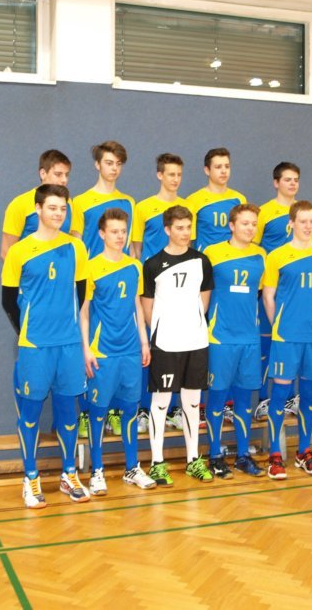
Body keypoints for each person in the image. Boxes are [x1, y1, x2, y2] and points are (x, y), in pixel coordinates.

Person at [1, 184, 90, 508]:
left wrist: (66, 327)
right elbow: (8, 300)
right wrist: (30, 330)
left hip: (68, 345)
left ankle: (69, 474)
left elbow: (80, 293)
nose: (58, 214)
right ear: (38, 209)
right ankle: (30, 477)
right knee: (30, 414)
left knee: (68, 413)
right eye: (52, 207)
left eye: (63, 209)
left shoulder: (76, 248)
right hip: (35, 346)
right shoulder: (19, 251)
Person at [80, 208, 157, 493]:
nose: (120, 236)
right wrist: (86, 349)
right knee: (98, 411)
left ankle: (132, 467)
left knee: (130, 409)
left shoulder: (134, 266)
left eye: (123, 231)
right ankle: (97, 470)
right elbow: (83, 312)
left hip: (131, 351)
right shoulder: (90, 267)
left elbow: (137, 304)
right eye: (114, 231)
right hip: (103, 351)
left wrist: (144, 342)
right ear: (102, 234)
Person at [262, 200, 312, 479]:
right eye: (302, 221)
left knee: (309, 395)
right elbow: (268, 296)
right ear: (291, 223)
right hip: (286, 337)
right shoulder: (277, 256)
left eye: (311, 221)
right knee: (280, 394)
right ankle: (274, 455)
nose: (307, 226)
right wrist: (280, 325)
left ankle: (304, 451)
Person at [141, 205, 214, 485]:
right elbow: (147, 308)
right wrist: (164, 330)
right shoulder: (152, 264)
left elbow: (203, 301)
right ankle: (157, 462)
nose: (186, 233)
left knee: (192, 402)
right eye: (180, 228)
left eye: (188, 227)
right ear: (167, 229)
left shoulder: (201, 261)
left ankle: (193, 460)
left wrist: (190, 324)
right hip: (165, 343)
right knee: (160, 403)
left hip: (195, 341)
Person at [71, 141, 136, 437]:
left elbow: (132, 248)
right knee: (90, 348)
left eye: (118, 164)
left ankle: (112, 412)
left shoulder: (128, 202)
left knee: (118, 354)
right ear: (98, 164)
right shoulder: (81, 202)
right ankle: (87, 412)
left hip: (118, 286)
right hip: (92, 283)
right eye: (109, 162)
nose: (114, 168)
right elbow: (75, 244)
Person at [203, 204, 267, 478]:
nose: (250, 228)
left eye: (253, 224)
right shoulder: (212, 253)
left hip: (249, 339)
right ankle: (215, 455)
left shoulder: (261, 255)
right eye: (245, 223)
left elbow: (258, 293)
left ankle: (242, 455)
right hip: (221, 338)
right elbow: (203, 294)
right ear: (232, 225)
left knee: (244, 400)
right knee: (217, 398)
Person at [131, 153, 189, 434]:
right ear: (159, 175)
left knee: (177, 348)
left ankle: (174, 409)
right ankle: (145, 409)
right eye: (170, 174)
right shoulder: (143, 207)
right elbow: (136, 249)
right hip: (152, 285)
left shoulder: (187, 208)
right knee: (151, 347)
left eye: (179, 174)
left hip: (179, 286)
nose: (175, 179)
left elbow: (188, 246)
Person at [254, 162, 301, 421]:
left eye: (295, 179)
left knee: (291, 343)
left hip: (294, 292)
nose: (292, 183)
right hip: (270, 288)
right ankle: (264, 399)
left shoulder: (302, 212)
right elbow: (254, 248)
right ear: (276, 183)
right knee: (267, 343)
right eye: (287, 179)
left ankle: (290, 398)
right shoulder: (264, 212)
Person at [0, 149, 73, 261]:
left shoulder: (68, 204)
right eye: (58, 174)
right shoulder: (20, 204)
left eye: (66, 175)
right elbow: (6, 253)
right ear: (43, 173)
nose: (64, 180)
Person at [186, 148, 246, 252]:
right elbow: (186, 240)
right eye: (218, 167)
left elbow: (244, 236)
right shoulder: (193, 201)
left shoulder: (239, 199)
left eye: (227, 166)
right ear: (207, 170)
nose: (224, 171)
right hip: (205, 259)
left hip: (232, 258)